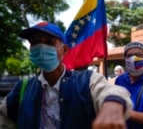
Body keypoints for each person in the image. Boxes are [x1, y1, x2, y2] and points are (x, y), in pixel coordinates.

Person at [0, 22, 132, 129]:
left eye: (49, 42)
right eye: (35, 43)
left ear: (65, 50)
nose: (41, 48)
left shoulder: (87, 80)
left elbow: (112, 91)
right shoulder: (23, 87)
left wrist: (112, 105)